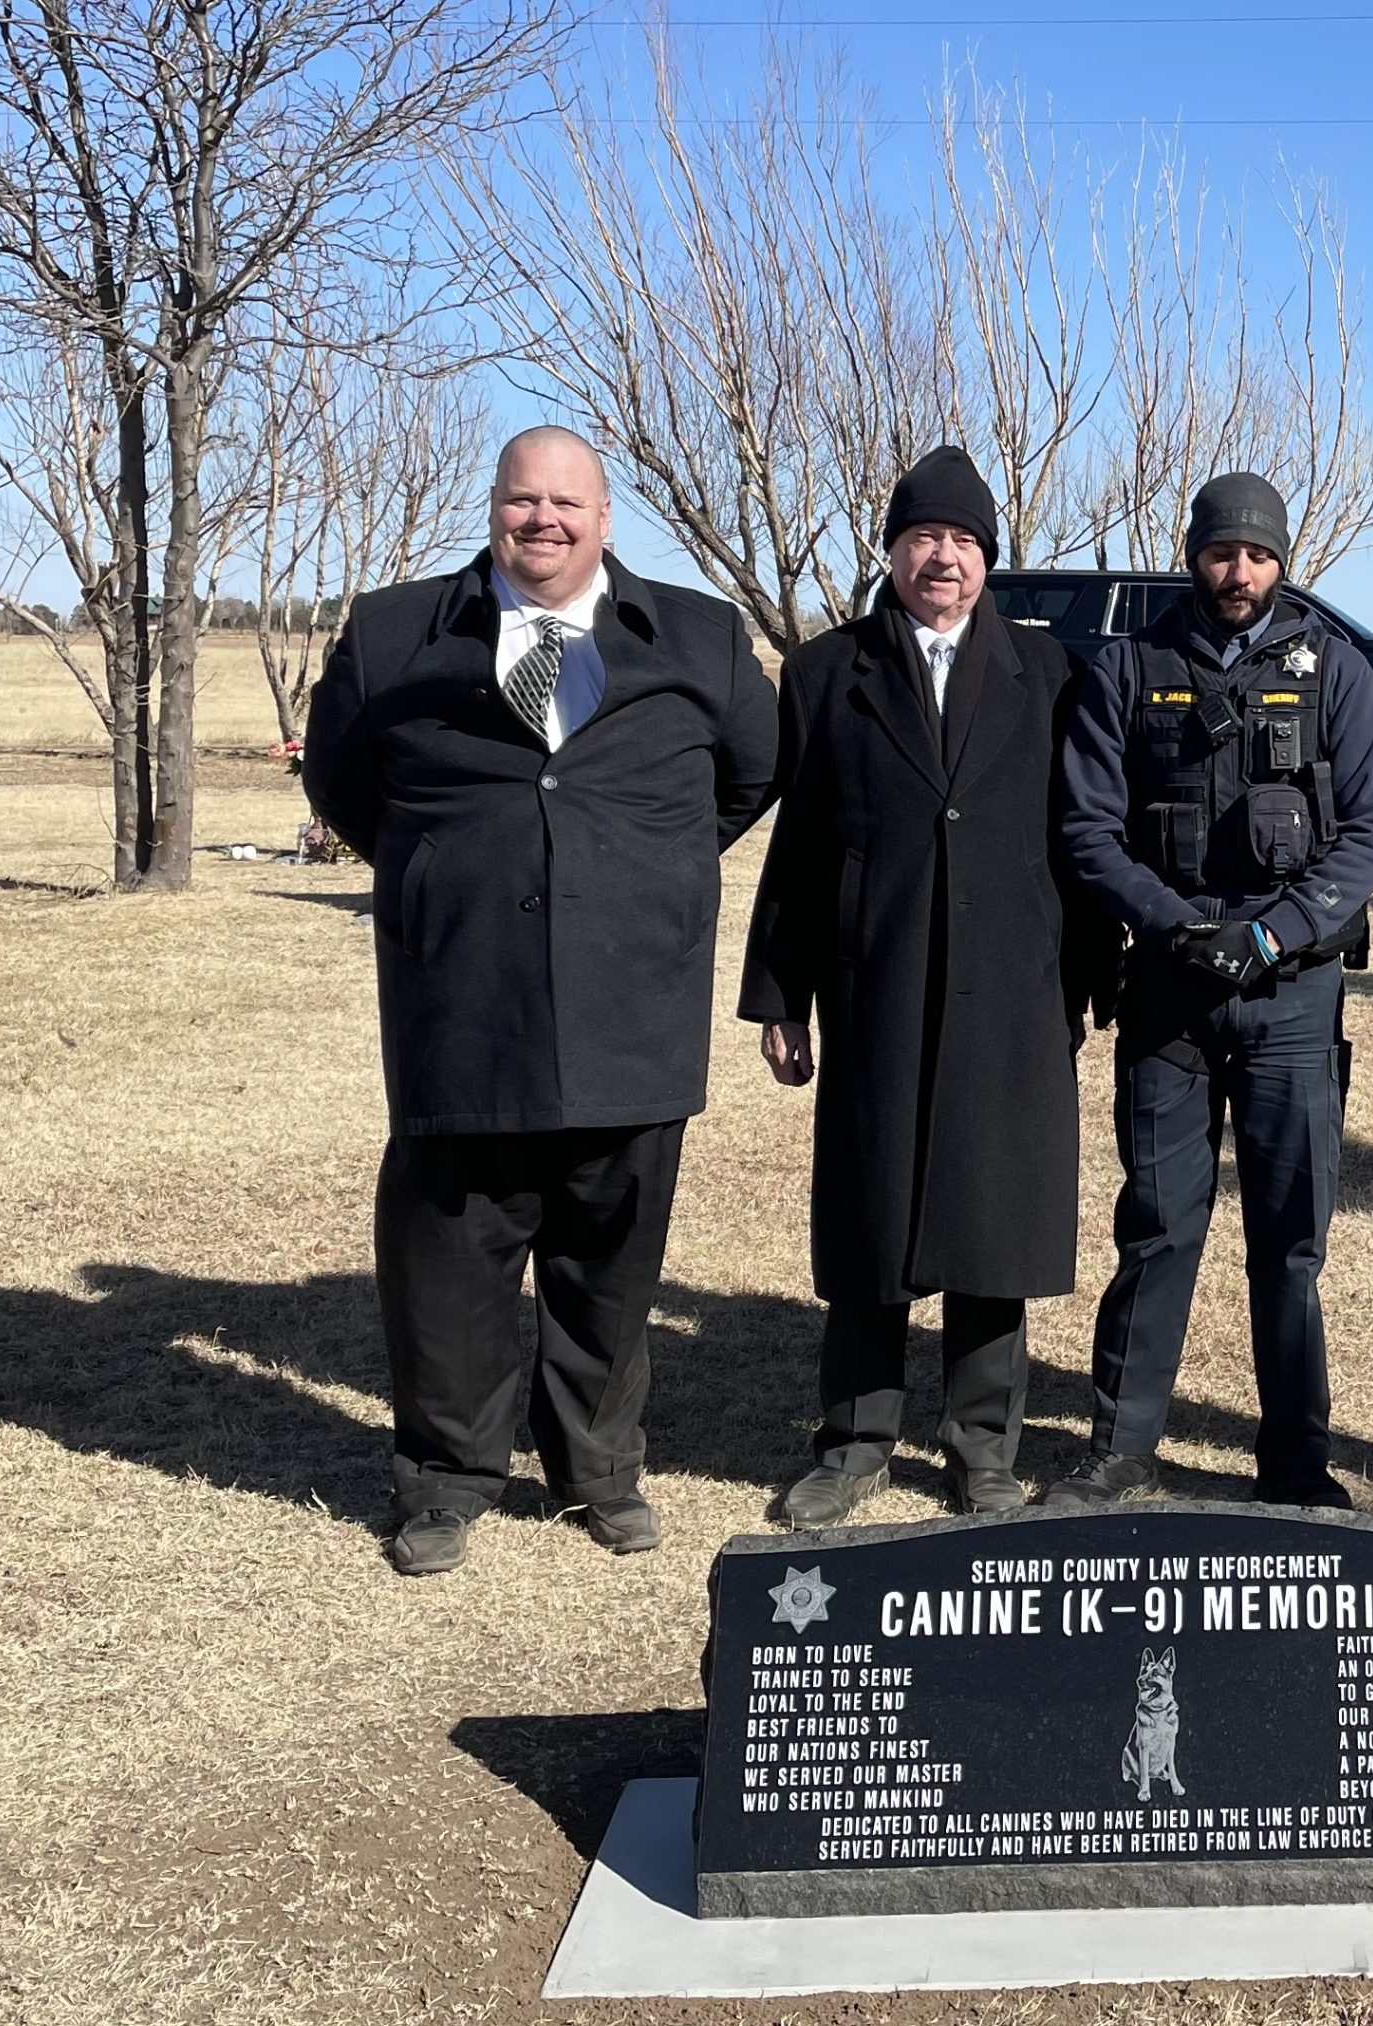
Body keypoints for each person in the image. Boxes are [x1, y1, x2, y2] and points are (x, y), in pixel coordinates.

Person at [302, 427, 779, 1575]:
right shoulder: (392, 631)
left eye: (567, 503)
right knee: (451, 1258)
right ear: (494, 509)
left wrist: (642, 872)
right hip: (463, 998)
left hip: (634, 1001)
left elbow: (753, 774)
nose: (543, 521)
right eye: (523, 501)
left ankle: (597, 1470)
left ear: (606, 518)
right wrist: (445, 867)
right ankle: (449, 1479)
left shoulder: (700, 637)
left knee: (609, 1259)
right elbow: (341, 781)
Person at [739, 447, 1108, 1527]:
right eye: (920, 537)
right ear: (892, 551)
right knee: (872, 1216)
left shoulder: (1051, 675)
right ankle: (853, 1441)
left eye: (960, 539)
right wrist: (780, 994)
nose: (939, 555)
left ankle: (980, 1446)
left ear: (987, 558)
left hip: (1012, 988)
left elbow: (1078, 841)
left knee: (993, 1219)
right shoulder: (823, 673)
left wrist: (1089, 980)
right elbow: (797, 845)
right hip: (876, 981)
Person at [1051, 473, 1373, 1510]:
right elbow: (1087, 830)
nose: (1236, 571)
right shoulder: (1129, 665)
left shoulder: (1336, 670)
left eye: (1255, 553)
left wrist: (1272, 932)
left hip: (1293, 993)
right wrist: (1178, 926)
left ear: (1281, 559)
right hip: (1168, 989)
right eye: (1219, 552)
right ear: (1190, 553)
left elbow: (1370, 831)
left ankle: (1294, 1461)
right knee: (1157, 1224)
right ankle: (1120, 1451)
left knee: (1288, 1237)